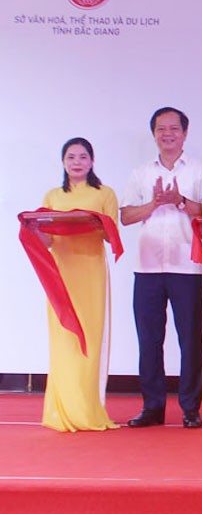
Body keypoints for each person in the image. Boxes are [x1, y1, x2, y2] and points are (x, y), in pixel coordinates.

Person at [121, 107, 202, 429]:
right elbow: (126, 216)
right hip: (147, 267)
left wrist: (181, 201)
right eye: (162, 129)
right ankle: (152, 407)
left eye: (174, 128)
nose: (168, 134)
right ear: (154, 134)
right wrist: (155, 204)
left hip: (188, 267)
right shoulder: (141, 172)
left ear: (185, 134)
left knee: (190, 340)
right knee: (149, 339)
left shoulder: (200, 171)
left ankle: (190, 408)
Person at [39, 138, 119, 432]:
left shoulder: (104, 193)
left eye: (83, 157)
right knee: (63, 338)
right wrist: (35, 228)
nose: (77, 162)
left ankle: (88, 408)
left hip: (91, 272)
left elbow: (112, 236)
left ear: (92, 161)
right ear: (63, 162)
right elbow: (47, 239)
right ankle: (61, 409)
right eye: (71, 157)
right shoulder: (52, 195)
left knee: (90, 339)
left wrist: (95, 224)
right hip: (60, 273)